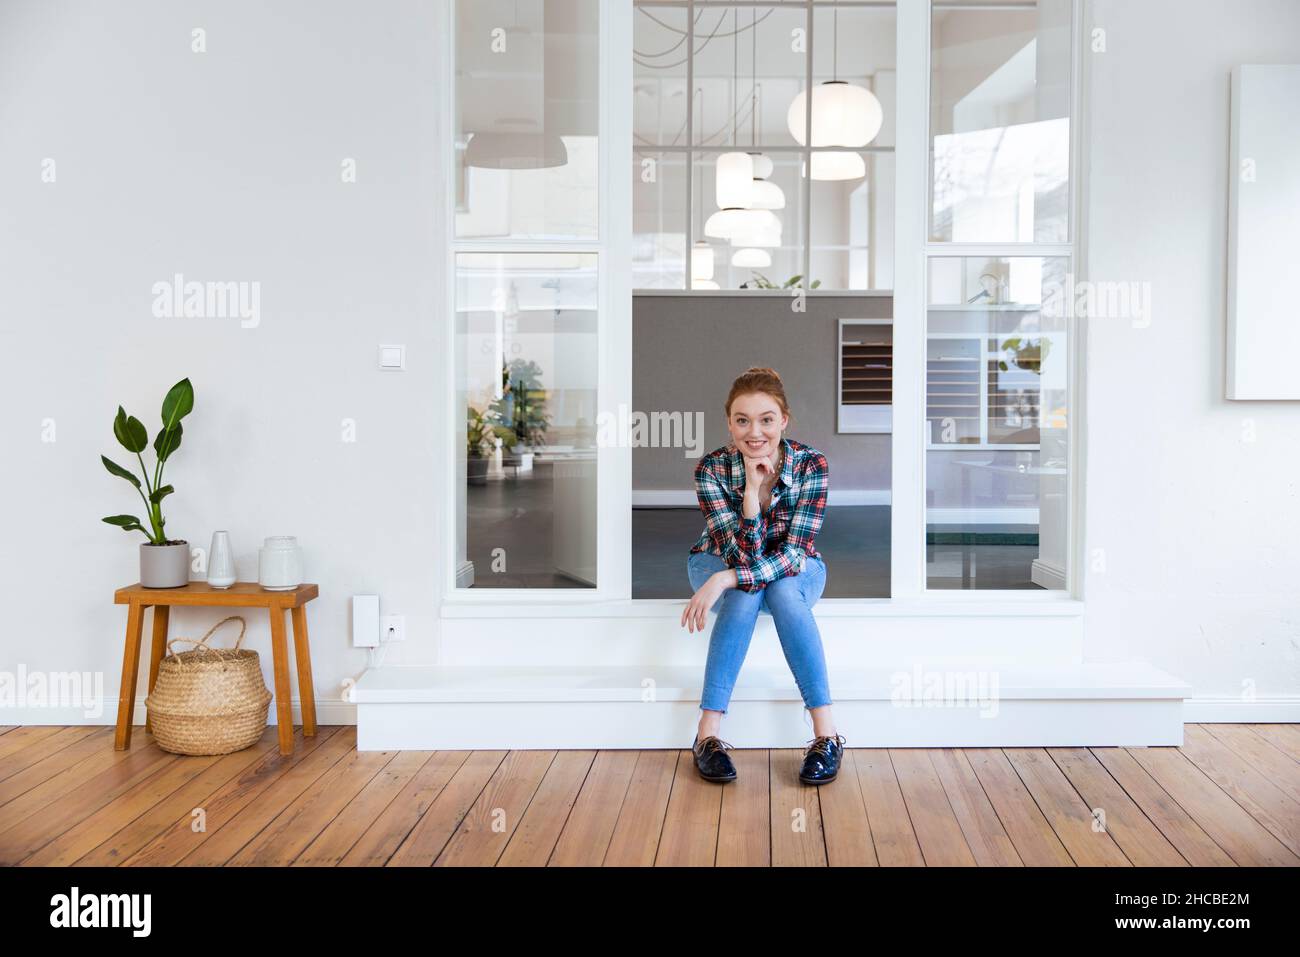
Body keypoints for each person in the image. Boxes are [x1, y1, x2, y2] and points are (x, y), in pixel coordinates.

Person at [681, 366, 845, 785]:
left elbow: (794, 554)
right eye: (742, 420)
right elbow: (739, 554)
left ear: (784, 420)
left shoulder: (812, 465)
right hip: (715, 559)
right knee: (747, 594)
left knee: (784, 593)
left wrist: (726, 579)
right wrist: (751, 497)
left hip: (795, 567)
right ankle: (707, 737)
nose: (754, 433)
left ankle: (826, 736)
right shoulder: (712, 470)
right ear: (729, 423)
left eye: (766, 419)